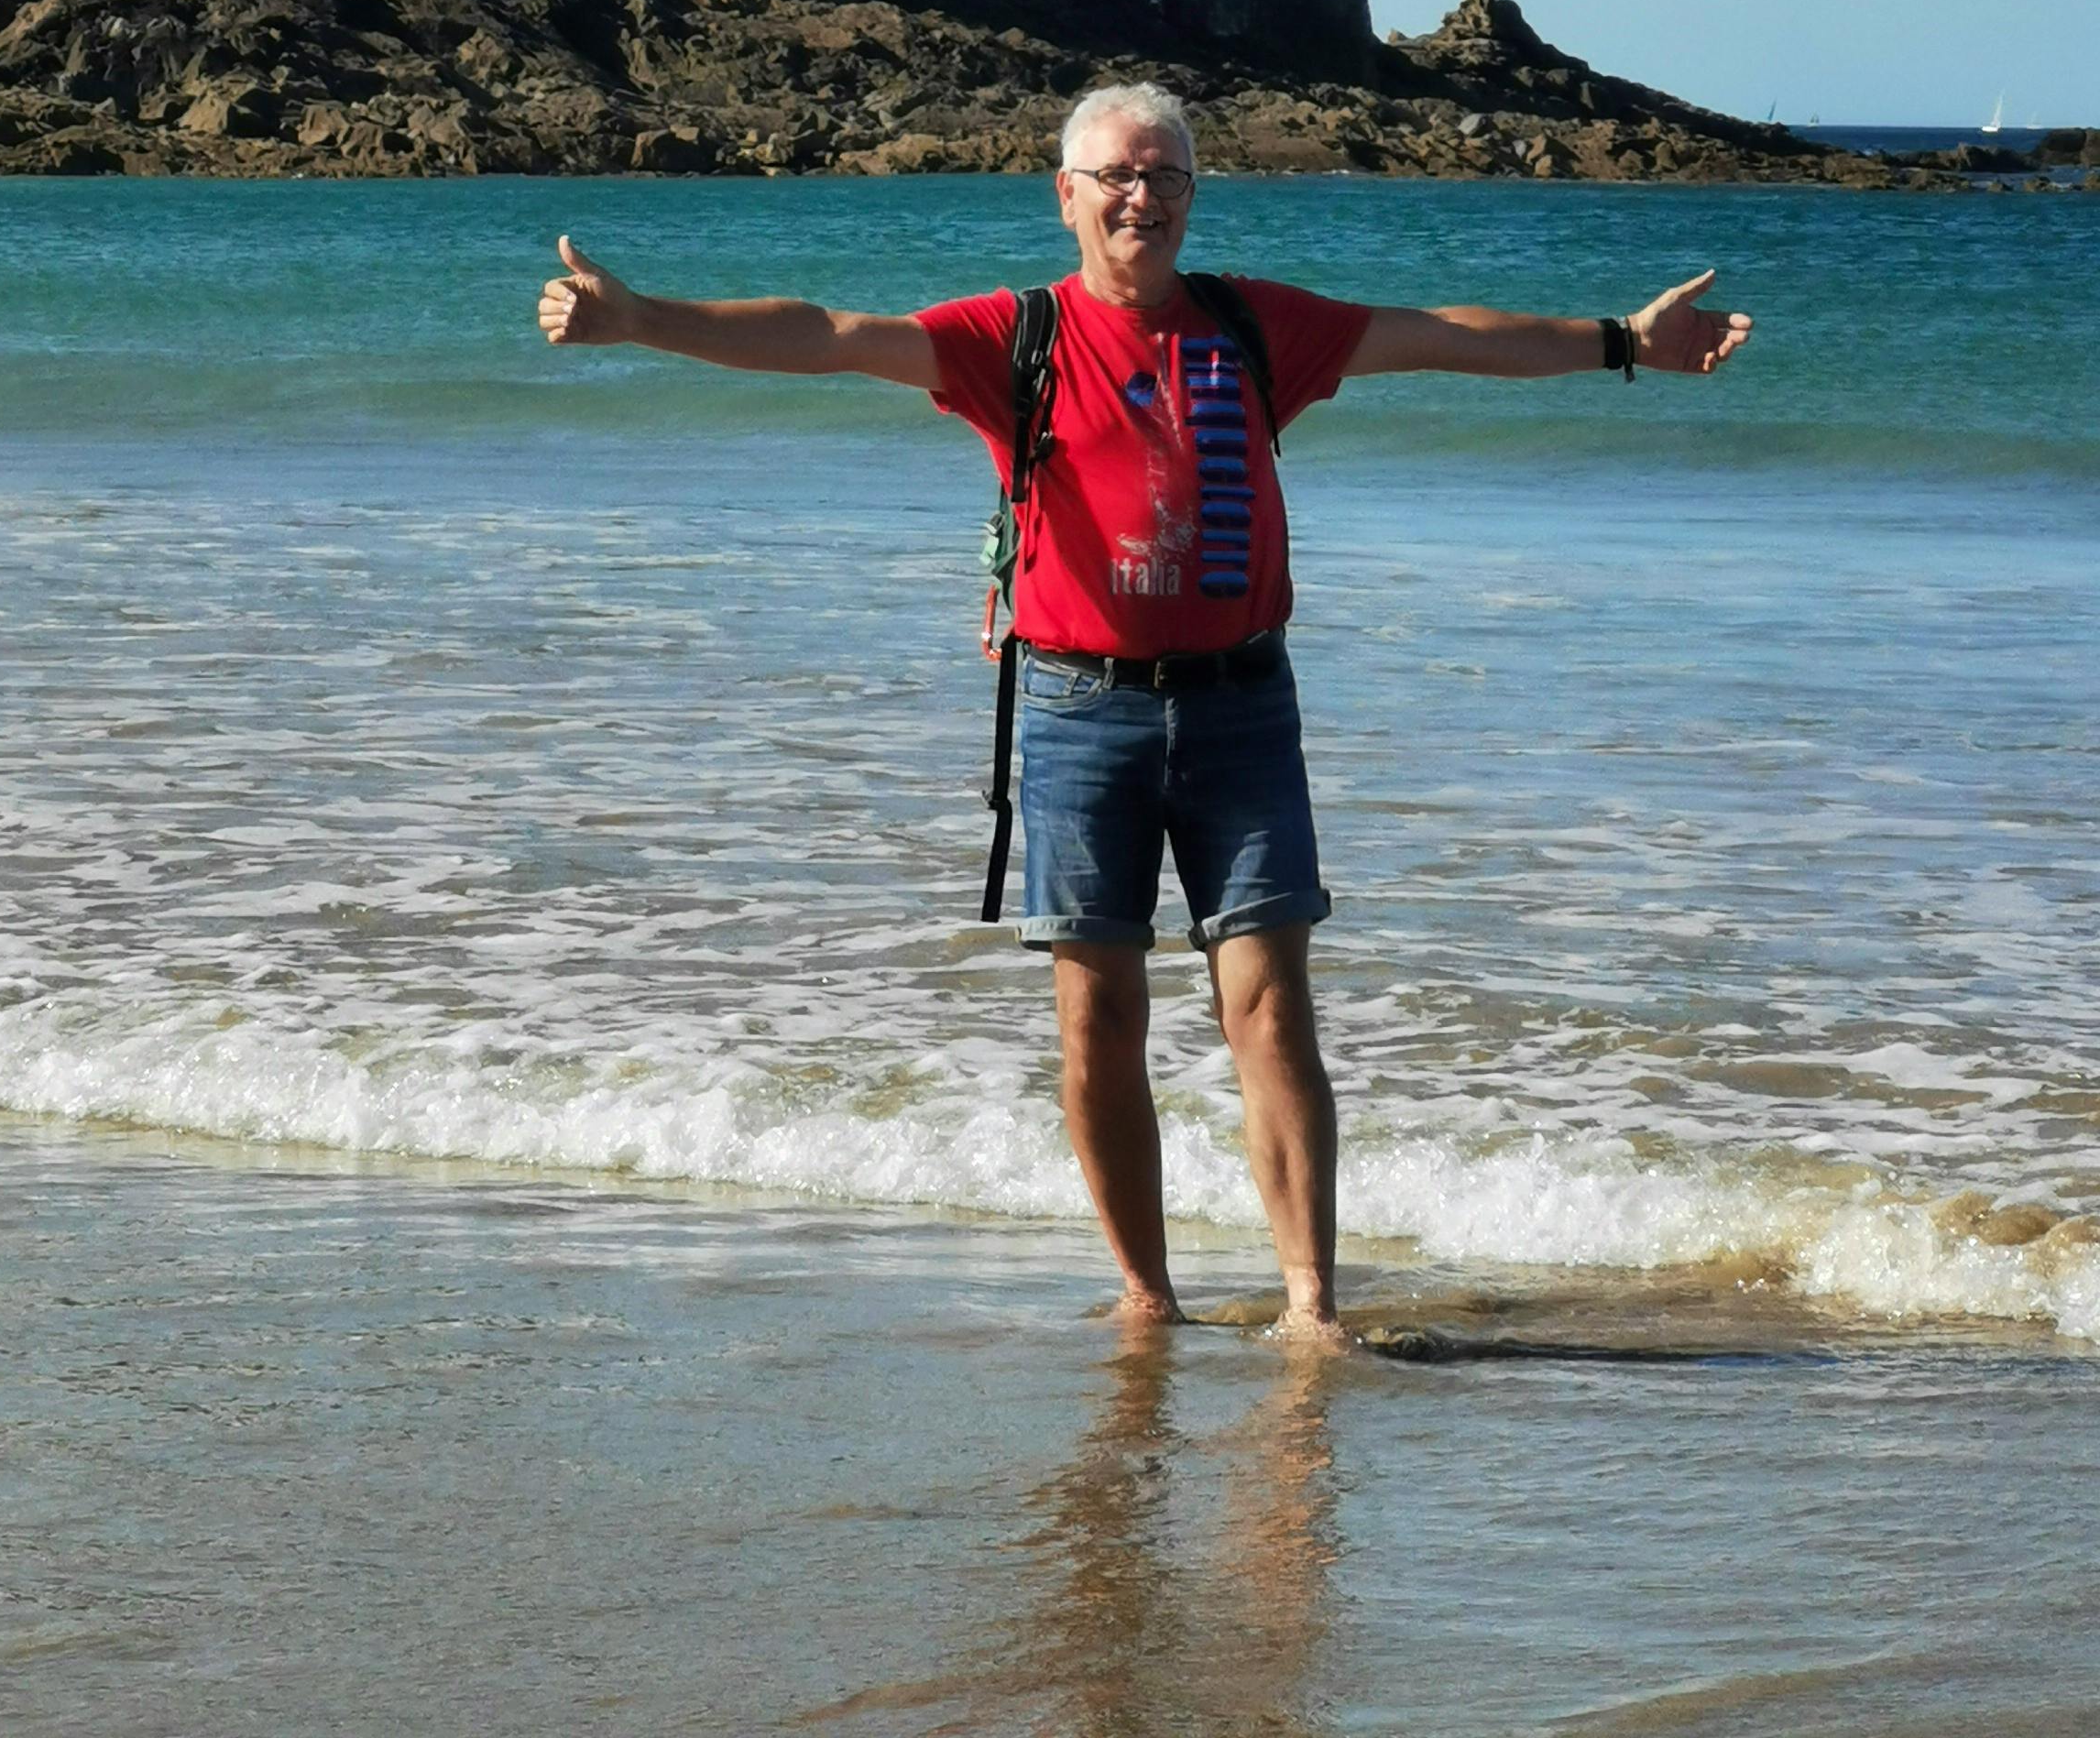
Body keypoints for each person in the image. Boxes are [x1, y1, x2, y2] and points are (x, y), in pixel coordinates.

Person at [535, 80, 1752, 1341]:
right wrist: (642, 319)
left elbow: (1442, 330)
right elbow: (830, 332)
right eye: (1117, 175)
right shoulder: (1012, 337)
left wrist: (1620, 340)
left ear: (1190, 200)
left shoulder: (1253, 326)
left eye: (1166, 177)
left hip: (1242, 710)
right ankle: (1146, 1296)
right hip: (1076, 712)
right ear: (1066, 197)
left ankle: (1310, 1305)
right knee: (1098, 1015)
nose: (1141, 197)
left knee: (1269, 1003)